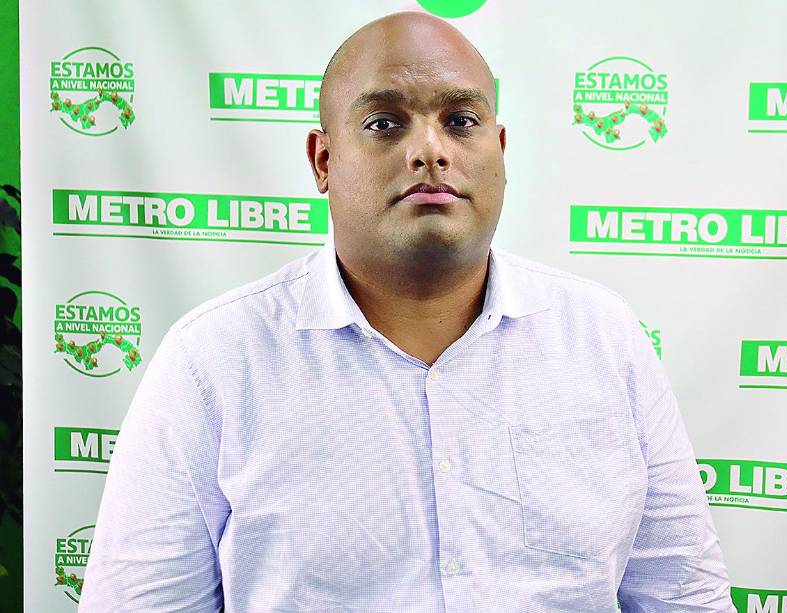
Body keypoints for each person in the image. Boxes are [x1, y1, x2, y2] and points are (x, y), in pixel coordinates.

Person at [79, 11, 734, 612]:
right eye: (385, 123)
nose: (430, 151)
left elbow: (683, 595)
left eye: (461, 120)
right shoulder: (216, 360)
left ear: (501, 149)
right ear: (323, 161)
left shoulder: (602, 338)